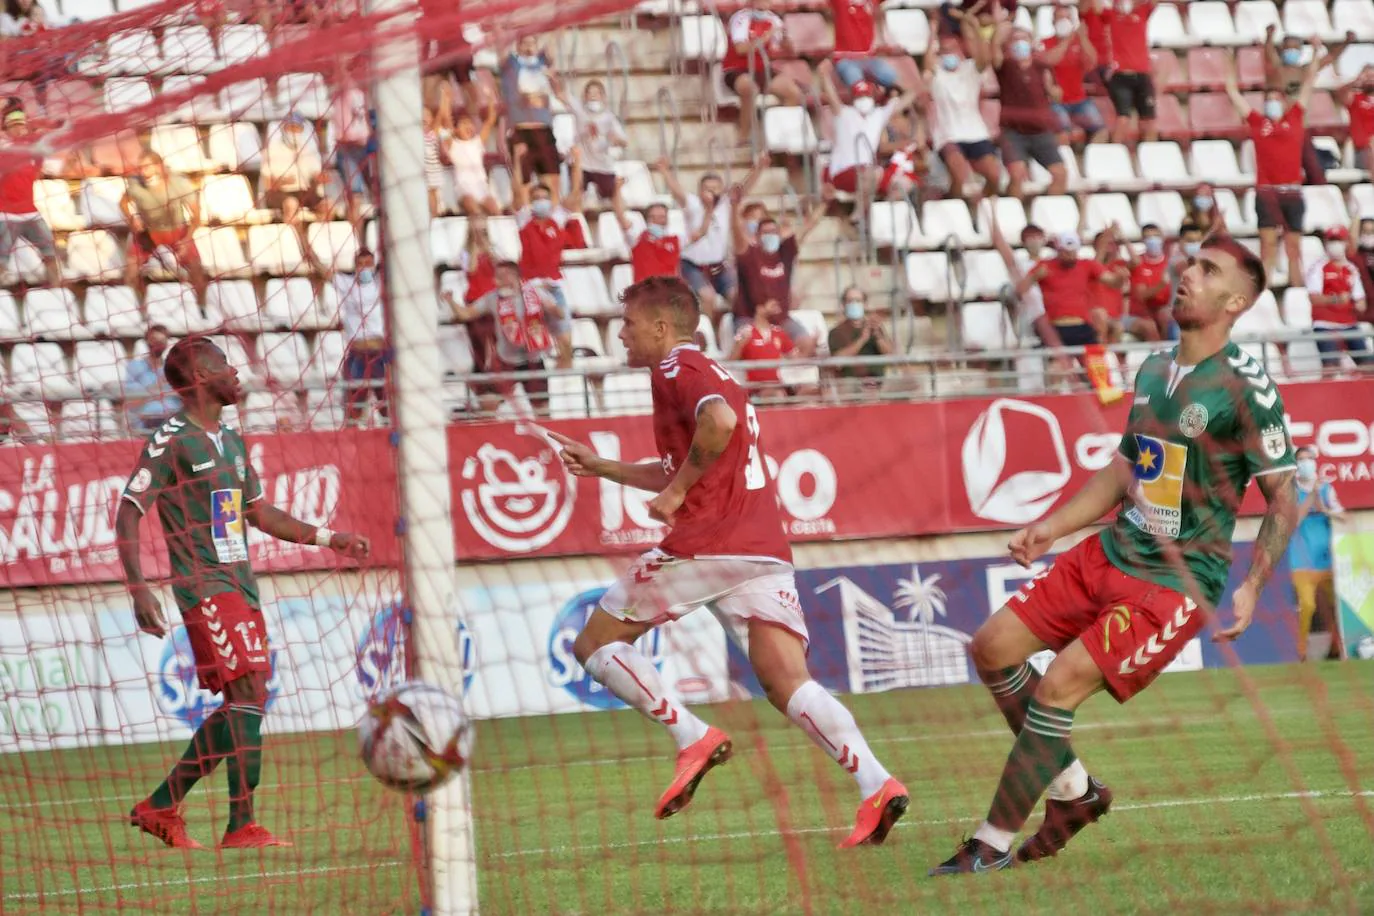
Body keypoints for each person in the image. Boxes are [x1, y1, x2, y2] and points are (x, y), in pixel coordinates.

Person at [931, 235, 1300, 874]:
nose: (1187, 275)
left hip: (1173, 583)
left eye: (1207, 271)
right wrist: (1053, 527)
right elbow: (1128, 468)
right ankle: (1075, 792)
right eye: (1191, 264)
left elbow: (1285, 498)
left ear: (1236, 301)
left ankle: (989, 845)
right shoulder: (1155, 368)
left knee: (1058, 684)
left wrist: (1254, 583)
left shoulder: (1249, 388)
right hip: (1111, 551)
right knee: (991, 647)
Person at [547, 275, 908, 847]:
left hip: (708, 542)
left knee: (592, 645)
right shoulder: (709, 374)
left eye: (631, 324)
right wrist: (606, 468)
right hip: (761, 548)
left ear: (662, 329)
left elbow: (718, 428)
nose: (622, 333)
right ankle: (878, 785)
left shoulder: (676, 369)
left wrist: (676, 493)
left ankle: (692, 736)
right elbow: (689, 458)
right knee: (790, 684)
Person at [117, 337, 370, 850]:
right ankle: (239, 824)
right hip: (205, 587)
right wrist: (139, 587)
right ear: (199, 377)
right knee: (249, 694)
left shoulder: (230, 438)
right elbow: (128, 509)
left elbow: (258, 512)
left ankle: (165, 805)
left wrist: (329, 538)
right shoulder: (171, 439)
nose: (237, 373)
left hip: (241, 585)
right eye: (224, 366)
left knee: (245, 701)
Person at [1226, 45, 1320, 290]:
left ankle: (1296, 289)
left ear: (1284, 101)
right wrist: (1231, 61)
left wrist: (1317, 52)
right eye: (1268, 100)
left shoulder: (1296, 117)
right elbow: (1232, 92)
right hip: (1267, 191)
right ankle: (1264, 288)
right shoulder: (1258, 122)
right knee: (1267, 245)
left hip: (1291, 191)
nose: (1271, 103)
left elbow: (1309, 82)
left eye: (1276, 100)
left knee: (1293, 247)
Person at [450, 260, 565, 412]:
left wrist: (554, 310)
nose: (497, 280)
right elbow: (467, 314)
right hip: (506, 361)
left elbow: (560, 314)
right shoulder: (493, 298)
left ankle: (544, 433)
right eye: (497, 276)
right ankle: (489, 434)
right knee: (488, 403)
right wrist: (450, 300)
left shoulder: (535, 294)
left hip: (533, 359)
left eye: (502, 276)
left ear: (515, 276)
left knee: (542, 409)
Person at [657, 156, 765, 318]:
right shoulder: (692, 204)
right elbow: (677, 191)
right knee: (708, 298)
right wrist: (664, 171)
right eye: (707, 188)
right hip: (693, 265)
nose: (712, 192)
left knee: (737, 296)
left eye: (715, 188)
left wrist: (759, 168)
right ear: (700, 190)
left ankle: (733, 329)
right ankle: (710, 334)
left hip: (718, 265)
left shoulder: (725, 206)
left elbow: (744, 188)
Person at [731, 186, 827, 355]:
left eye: (774, 232)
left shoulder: (785, 252)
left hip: (781, 319)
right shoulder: (749, 254)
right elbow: (736, 231)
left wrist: (825, 203)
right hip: (749, 318)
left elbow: (808, 226)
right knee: (753, 350)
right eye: (766, 233)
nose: (771, 236)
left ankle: (789, 378)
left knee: (806, 343)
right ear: (758, 237)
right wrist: (733, 207)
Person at [513, 149, 587, 367]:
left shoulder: (557, 219)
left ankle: (564, 383)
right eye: (536, 198)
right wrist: (517, 161)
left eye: (545, 197)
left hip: (554, 285)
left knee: (566, 343)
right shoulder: (525, 219)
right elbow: (517, 192)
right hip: (531, 287)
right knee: (537, 342)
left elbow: (575, 192)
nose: (541, 202)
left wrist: (578, 163)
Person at [304, 242, 389, 424]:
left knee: (388, 406)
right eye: (361, 264)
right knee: (353, 407)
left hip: (379, 353)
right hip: (357, 353)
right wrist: (301, 237)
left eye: (369, 263)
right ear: (355, 266)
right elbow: (318, 265)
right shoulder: (346, 283)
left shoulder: (379, 282)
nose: (365, 267)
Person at [923, 14, 1002, 209]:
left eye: (952, 50)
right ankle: (956, 204)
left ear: (960, 51)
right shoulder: (937, 75)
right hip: (948, 134)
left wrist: (974, 26)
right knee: (958, 173)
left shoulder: (970, 69)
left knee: (994, 175)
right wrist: (932, 32)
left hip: (975, 132)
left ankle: (978, 206)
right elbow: (927, 62)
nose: (949, 55)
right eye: (944, 52)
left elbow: (984, 58)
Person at [1264, 25, 1350, 184]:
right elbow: (1268, 53)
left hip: (1300, 128)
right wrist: (1269, 36)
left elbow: (1330, 57)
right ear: (1282, 49)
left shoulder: (1305, 71)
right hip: (1280, 130)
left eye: (1295, 48)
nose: (1292, 52)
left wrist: (1346, 42)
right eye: (1288, 48)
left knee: (1315, 171)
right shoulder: (1278, 69)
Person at [992, 22, 1068, 201]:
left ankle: (1048, 210)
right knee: (1017, 175)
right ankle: (1014, 211)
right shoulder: (1006, 65)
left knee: (1060, 174)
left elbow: (1057, 95)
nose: (1020, 43)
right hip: (1013, 131)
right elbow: (994, 58)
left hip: (1040, 130)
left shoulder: (1042, 66)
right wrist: (997, 38)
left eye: (1023, 39)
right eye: (1015, 40)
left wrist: (1052, 90)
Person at [122, 150, 207, 303]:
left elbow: (196, 217)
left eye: (147, 167)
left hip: (176, 231)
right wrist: (132, 219)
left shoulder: (179, 183)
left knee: (196, 269)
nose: (143, 172)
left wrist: (187, 239)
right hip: (148, 233)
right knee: (131, 272)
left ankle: (202, 307)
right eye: (140, 168)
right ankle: (137, 309)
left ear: (159, 166)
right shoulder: (135, 184)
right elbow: (122, 202)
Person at [819, 68, 917, 199]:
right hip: (843, 172)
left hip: (869, 172)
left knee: (905, 184)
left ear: (873, 97)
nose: (864, 99)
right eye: (860, 96)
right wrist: (824, 75)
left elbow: (907, 99)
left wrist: (916, 82)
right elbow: (831, 96)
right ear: (854, 99)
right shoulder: (844, 113)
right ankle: (860, 215)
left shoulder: (878, 115)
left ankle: (883, 213)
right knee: (871, 174)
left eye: (866, 96)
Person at [722, 0, 804, 149]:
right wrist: (767, 36)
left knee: (793, 92)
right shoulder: (741, 18)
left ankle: (781, 137)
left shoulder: (773, 19)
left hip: (761, 69)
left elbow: (789, 50)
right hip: (737, 68)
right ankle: (743, 135)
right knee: (749, 88)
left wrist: (786, 42)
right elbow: (741, 49)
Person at [1288, 446, 1345, 661]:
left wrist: (1326, 509)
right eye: (1301, 460)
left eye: (1309, 459)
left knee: (1334, 608)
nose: (1306, 464)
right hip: (1300, 562)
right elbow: (1293, 521)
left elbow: (1344, 517)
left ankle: (1335, 648)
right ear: (1296, 466)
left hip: (1325, 562)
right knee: (1308, 605)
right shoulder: (1292, 491)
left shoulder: (1326, 490)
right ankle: (1301, 651)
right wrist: (1311, 498)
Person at [0, 109, 62, 288]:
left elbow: (50, 167)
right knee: (2, 261)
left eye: (22, 125)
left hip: (30, 212)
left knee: (51, 254)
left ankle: (58, 292)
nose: (20, 130)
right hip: (6, 215)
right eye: (14, 126)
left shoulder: (35, 154)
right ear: (7, 130)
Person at [1304, 225, 1373, 371]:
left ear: (1346, 242)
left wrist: (1357, 304)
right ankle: (1328, 392)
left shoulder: (1351, 269)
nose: (1336, 245)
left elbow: (1360, 300)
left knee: (1368, 365)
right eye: (1332, 241)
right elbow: (1313, 298)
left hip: (1348, 323)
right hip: (1325, 324)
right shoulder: (1318, 267)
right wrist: (1335, 299)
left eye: (1339, 240)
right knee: (1330, 366)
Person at [501, 36, 560, 195]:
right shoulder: (512, 64)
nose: (529, 47)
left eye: (532, 43)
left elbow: (554, 42)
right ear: (518, 46)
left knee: (551, 181)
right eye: (524, 43)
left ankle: (552, 216)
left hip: (544, 129)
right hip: (522, 130)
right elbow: (501, 49)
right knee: (523, 183)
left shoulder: (542, 63)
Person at [1041, 6, 1105, 147]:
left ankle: (1090, 161)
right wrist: (1067, 40)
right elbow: (1049, 60)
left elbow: (1092, 62)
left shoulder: (1079, 43)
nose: (1064, 21)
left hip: (1079, 100)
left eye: (1067, 18)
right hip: (1055, 102)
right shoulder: (1045, 43)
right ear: (1053, 21)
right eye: (1060, 18)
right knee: (1063, 135)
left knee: (1102, 131)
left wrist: (1082, 38)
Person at [557, 79, 628, 204]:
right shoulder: (579, 109)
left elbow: (624, 141)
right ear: (585, 96)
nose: (593, 97)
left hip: (602, 164)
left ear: (603, 97)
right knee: (576, 194)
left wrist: (614, 139)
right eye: (590, 93)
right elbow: (561, 94)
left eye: (597, 93)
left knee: (610, 196)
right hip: (582, 164)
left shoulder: (609, 117)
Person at [1098, 0, 1157, 144]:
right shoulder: (1111, 15)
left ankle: (1150, 158)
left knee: (1148, 122)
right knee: (1123, 119)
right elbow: (1095, 7)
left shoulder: (1142, 12)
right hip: (1120, 75)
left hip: (1142, 75)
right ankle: (1115, 156)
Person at [261, 113, 330, 224]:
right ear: (284, 129)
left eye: (297, 128)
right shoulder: (272, 150)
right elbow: (268, 184)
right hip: (279, 194)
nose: (294, 131)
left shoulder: (309, 149)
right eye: (291, 127)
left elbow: (316, 176)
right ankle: (294, 238)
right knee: (292, 203)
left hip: (303, 192)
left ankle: (319, 236)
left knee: (328, 205)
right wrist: (283, 181)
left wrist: (321, 178)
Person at [826, 286, 893, 394]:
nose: (854, 304)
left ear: (865, 304)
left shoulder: (875, 326)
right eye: (850, 301)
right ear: (843, 305)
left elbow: (890, 354)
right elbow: (838, 360)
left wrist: (878, 336)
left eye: (858, 301)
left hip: (879, 381)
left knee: (912, 383)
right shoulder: (836, 332)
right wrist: (862, 339)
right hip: (853, 383)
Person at [729, 297, 797, 401]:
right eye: (772, 306)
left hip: (777, 387)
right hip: (755, 389)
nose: (777, 310)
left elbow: (795, 357)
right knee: (776, 396)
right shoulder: (745, 331)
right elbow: (731, 361)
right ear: (759, 308)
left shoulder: (779, 332)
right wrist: (740, 344)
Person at [613, 180, 681, 283]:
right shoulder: (637, 237)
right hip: (645, 291)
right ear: (647, 219)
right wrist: (616, 192)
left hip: (668, 292)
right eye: (653, 217)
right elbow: (621, 218)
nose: (657, 221)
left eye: (661, 217)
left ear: (667, 219)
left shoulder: (675, 240)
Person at [330, 60, 371, 226]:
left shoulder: (369, 90)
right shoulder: (343, 89)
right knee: (355, 197)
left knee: (382, 193)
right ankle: (357, 242)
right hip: (348, 149)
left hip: (367, 147)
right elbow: (338, 65)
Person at [831, 0, 903, 93]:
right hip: (846, 59)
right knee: (860, 90)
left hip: (869, 58)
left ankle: (892, 104)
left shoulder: (871, 1)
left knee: (898, 83)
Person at [124, 324, 183, 435]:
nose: (158, 344)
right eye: (154, 340)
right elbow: (133, 400)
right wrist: (159, 385)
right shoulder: (135, 366)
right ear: (147, 341)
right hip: (148, 419)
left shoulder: (173, 367)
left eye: (162, 341)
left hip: (174, 418)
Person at [445, 104, 501, 217]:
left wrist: (490, 99)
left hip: (482, 188)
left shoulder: (477, 142)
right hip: (464, 189)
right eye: (464, 124)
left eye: (470, 123)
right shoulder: (453, 144)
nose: (468, 126)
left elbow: (490, 121)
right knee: (475, 211)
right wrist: (446, 100)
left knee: (495, 211)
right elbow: (446, 121)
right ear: (455, 129)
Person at [1127, 223, 1171, 341]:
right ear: (1143, 240)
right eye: (1148, 237)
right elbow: (1141, 295)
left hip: (1165, 311)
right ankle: (1162, 357)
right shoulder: (1138, 263)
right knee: (1152, 324)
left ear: (1162, 238)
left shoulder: (1170, 263)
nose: (1153, 241)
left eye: (1156, 236)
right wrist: (1161, 284)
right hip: (1142, 314)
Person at [1337, 65, 1374, 170]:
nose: (1370, 78)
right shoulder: (1356, 99)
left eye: (1373, 75)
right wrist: (1355, 80)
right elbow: (1340, 92)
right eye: (1367, 75)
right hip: (1364, 151)